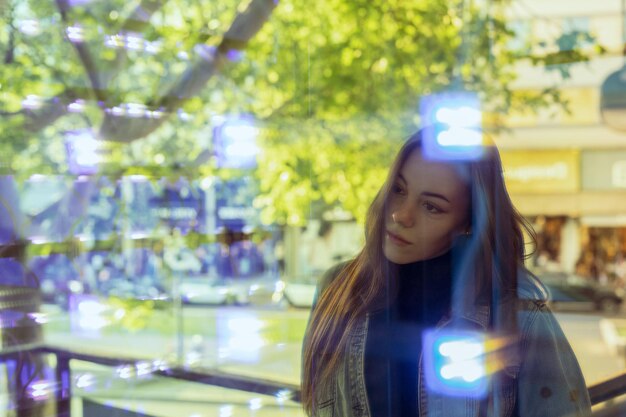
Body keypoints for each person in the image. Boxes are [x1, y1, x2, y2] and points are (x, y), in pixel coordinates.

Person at [301, 128, 591, 417]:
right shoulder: (338, 288)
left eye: (431, 206)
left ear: (469, 222)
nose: (401, 215)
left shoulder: (519, 315)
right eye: (398, 189)